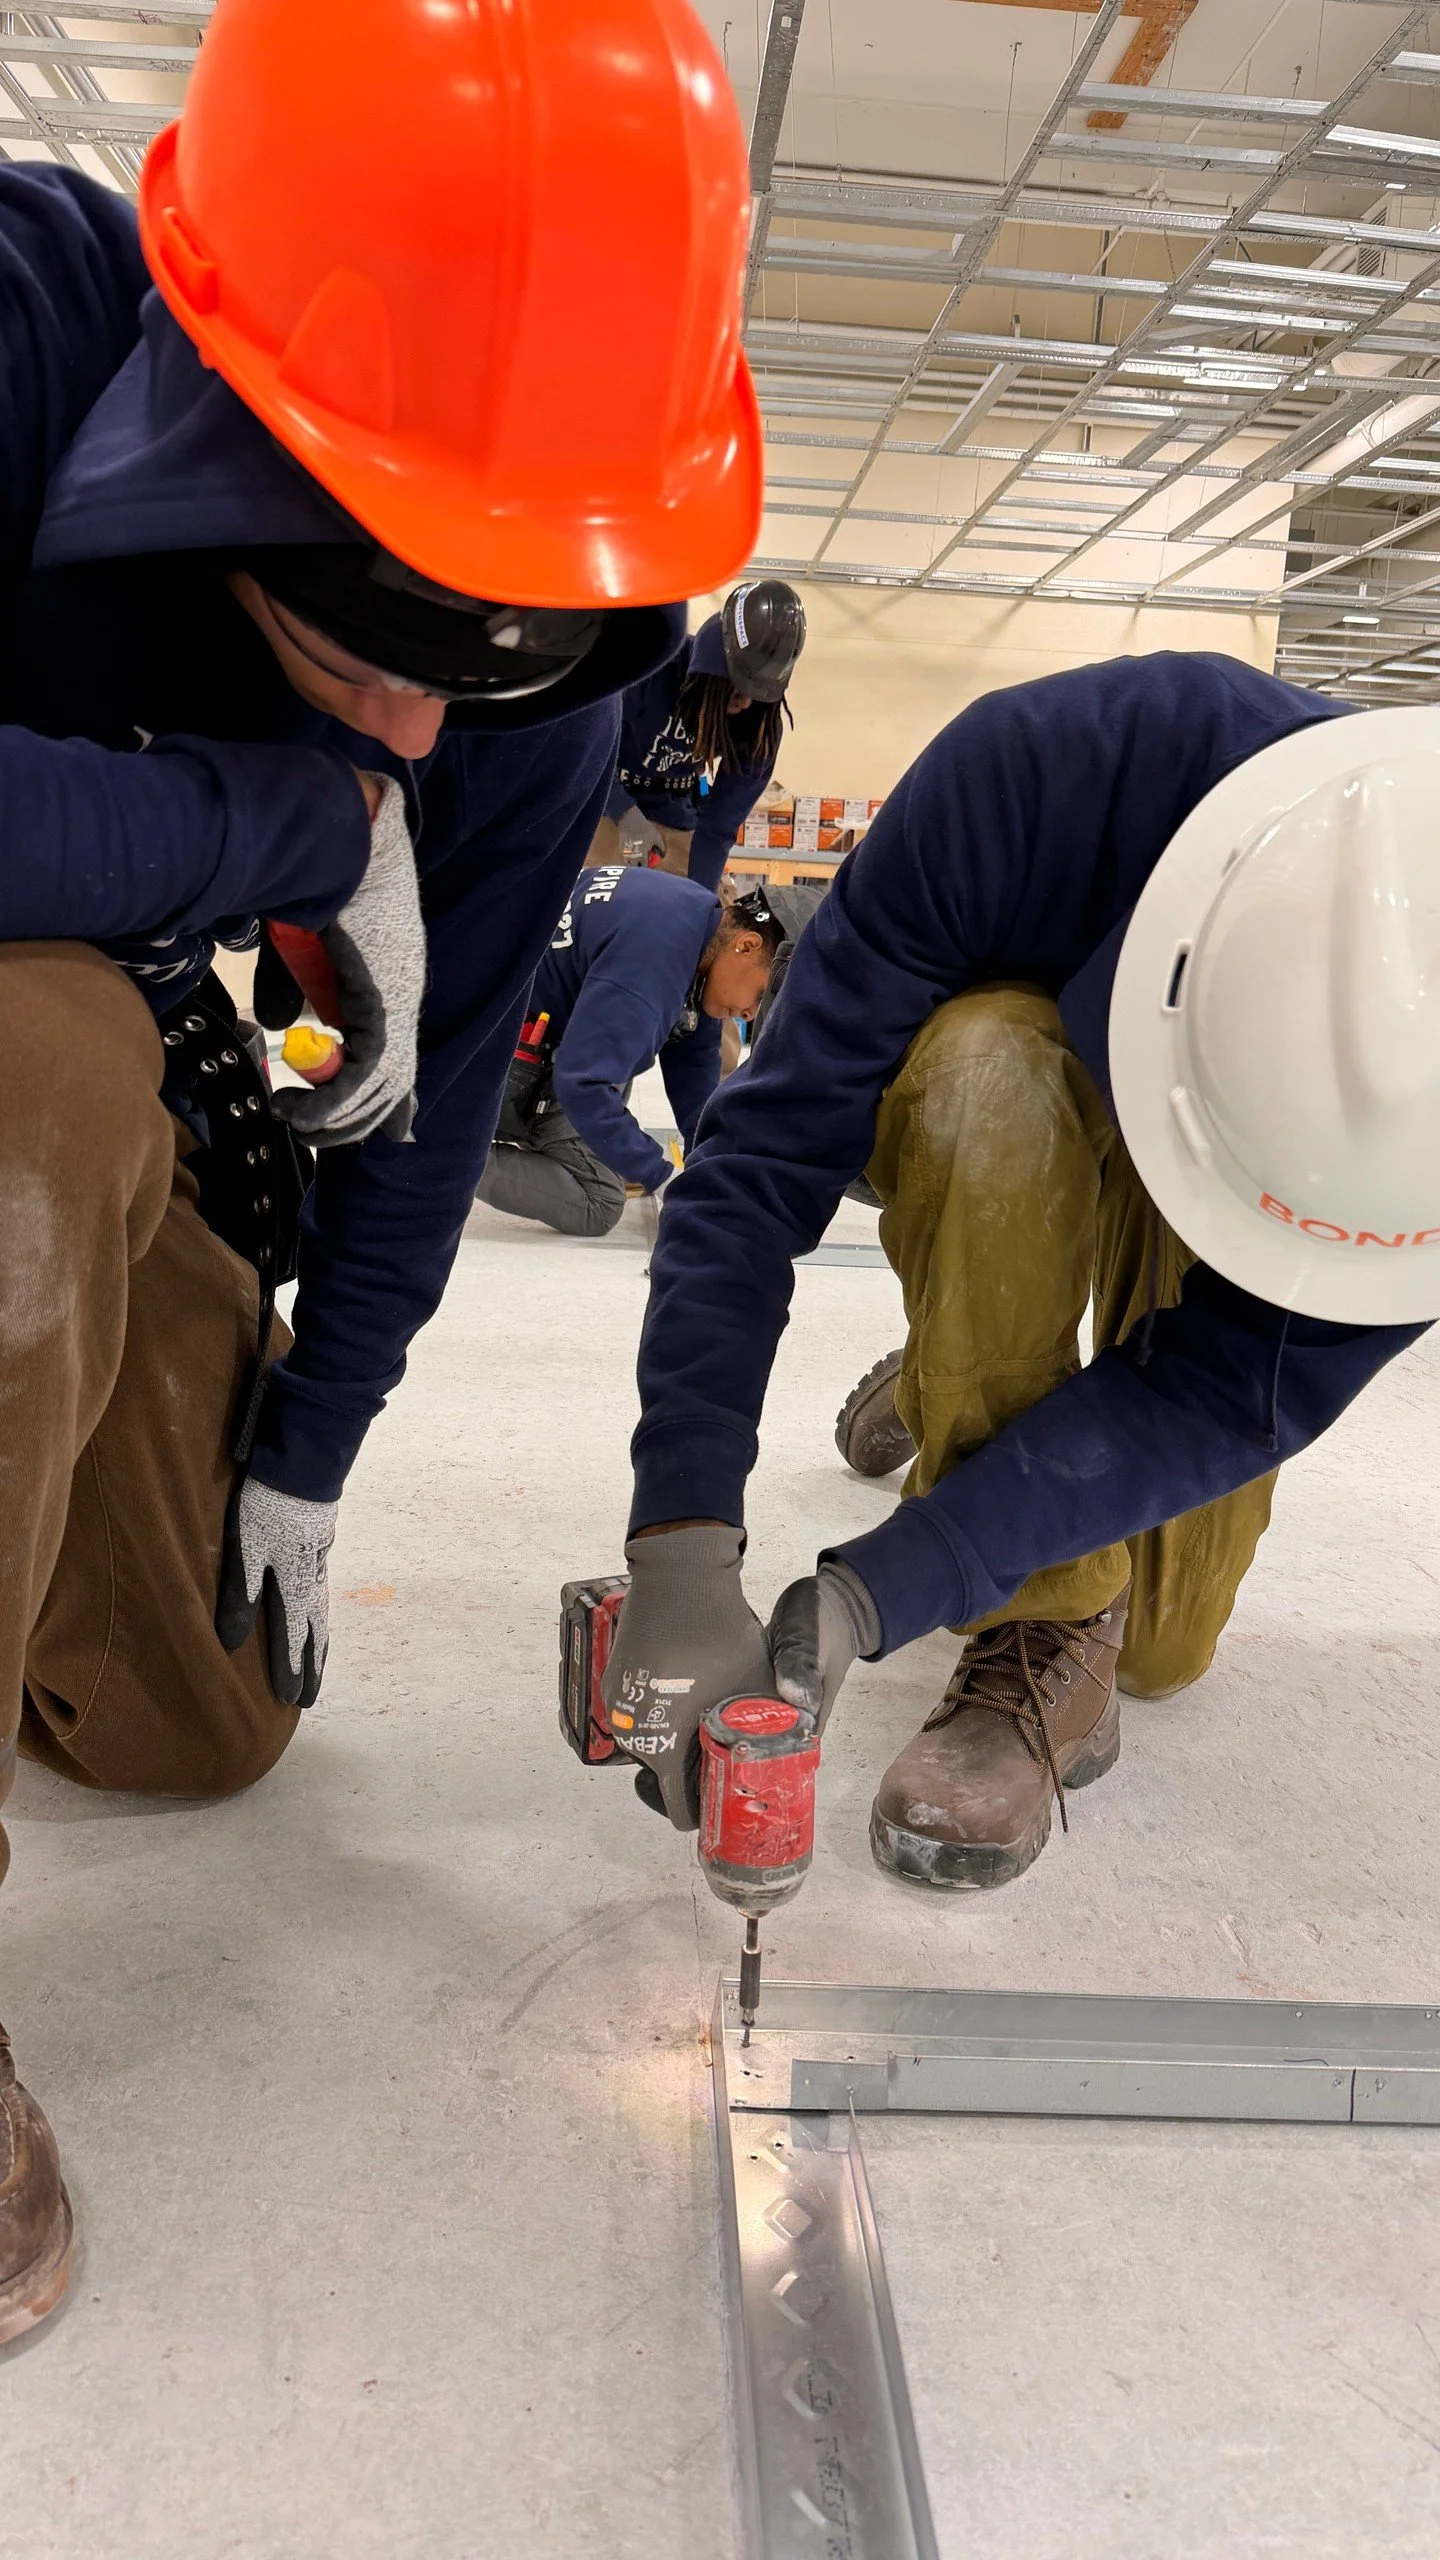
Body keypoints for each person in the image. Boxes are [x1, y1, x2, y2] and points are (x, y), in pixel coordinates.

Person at [0, 0, 760, 2341]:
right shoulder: (25, 324)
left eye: (510, 657)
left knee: (188, 1730)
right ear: (217, 419)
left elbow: (424, 1107)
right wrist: (281, 822)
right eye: (393, 617)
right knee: (29, 1096)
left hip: (191, 1162)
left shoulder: (550, 637)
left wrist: (318, 1440)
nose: (442, 726)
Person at [598, 653, 1439, 1887]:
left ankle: (974, 1365)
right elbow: (761, 1165)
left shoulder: (1408, 1163)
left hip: (1276, 1193)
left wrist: (874, 1594)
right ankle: (998, 1396)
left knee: (1163, 1652)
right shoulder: (1043, 771)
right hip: (1012, 1094)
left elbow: (1220, 1396)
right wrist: (679, 1530)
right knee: (994, 1078)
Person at [477, 870, 784, 1237]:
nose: (751, 1013)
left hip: (501, 1019)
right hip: (486, 1052)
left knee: (618, 1078)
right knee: (598, 1201)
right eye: (761, 995)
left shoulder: (692, 919)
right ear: (746, 945)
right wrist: (661, 1176)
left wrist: (715, 1170)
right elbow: (584, 1084)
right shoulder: (651, 959)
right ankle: (439, 1149)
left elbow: (694, 1068)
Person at [592, 581, 807, 889]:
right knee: (589, 905)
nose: (744, 702)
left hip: (677, 808)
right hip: (605, 800)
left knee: (700, 905)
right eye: (735, 687)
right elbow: (586, 753)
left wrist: (700, 897)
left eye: (756, 694)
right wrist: (624, 812)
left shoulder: (760, 724)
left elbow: (720, 823)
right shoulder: (649, 666)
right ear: (714, 664)